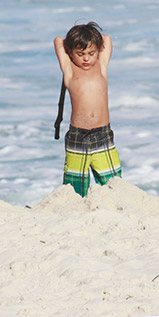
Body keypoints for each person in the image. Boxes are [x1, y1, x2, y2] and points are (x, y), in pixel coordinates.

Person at [53, 22, 122, 196]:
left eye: (91, 53)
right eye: (80, 54)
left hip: (102, 134)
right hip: (78, 136)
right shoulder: (69, 69)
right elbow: (58, 41)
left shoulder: (101, 66)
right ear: (70, 53)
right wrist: (73, 46)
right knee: (75, 189)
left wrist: (90, 38)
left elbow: (106, 38)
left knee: (114, 184)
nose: (86, 58)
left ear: (98, 51)